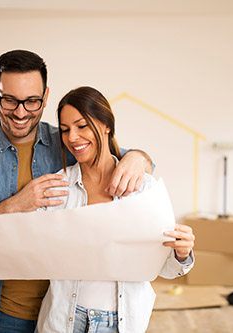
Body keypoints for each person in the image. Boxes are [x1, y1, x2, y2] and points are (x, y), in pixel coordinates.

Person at [0, 50, 154, 333]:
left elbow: (117, 156)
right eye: (10, 100)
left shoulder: (67, 140)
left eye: (32, 101)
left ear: (45, 96)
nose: (21, 112)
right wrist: (14, 206)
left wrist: (139, 157)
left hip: (60, 314)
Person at [36, 86, 195, 333]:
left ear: (106, 125)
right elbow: (32, 251)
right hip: (63, 320)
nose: (72, 138)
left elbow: (165, 268)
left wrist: (182, 254)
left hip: (120, 324)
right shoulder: (58, 186)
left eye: (82, 126)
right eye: (65, 130)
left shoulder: (144, 188)